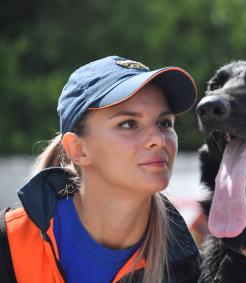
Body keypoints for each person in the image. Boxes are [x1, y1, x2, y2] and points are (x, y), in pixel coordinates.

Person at [0, 56, 200, 283]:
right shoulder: (10, 245)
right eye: (128, 124)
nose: (158, 139)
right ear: (78, 149)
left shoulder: (187, 269)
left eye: (164, 123)